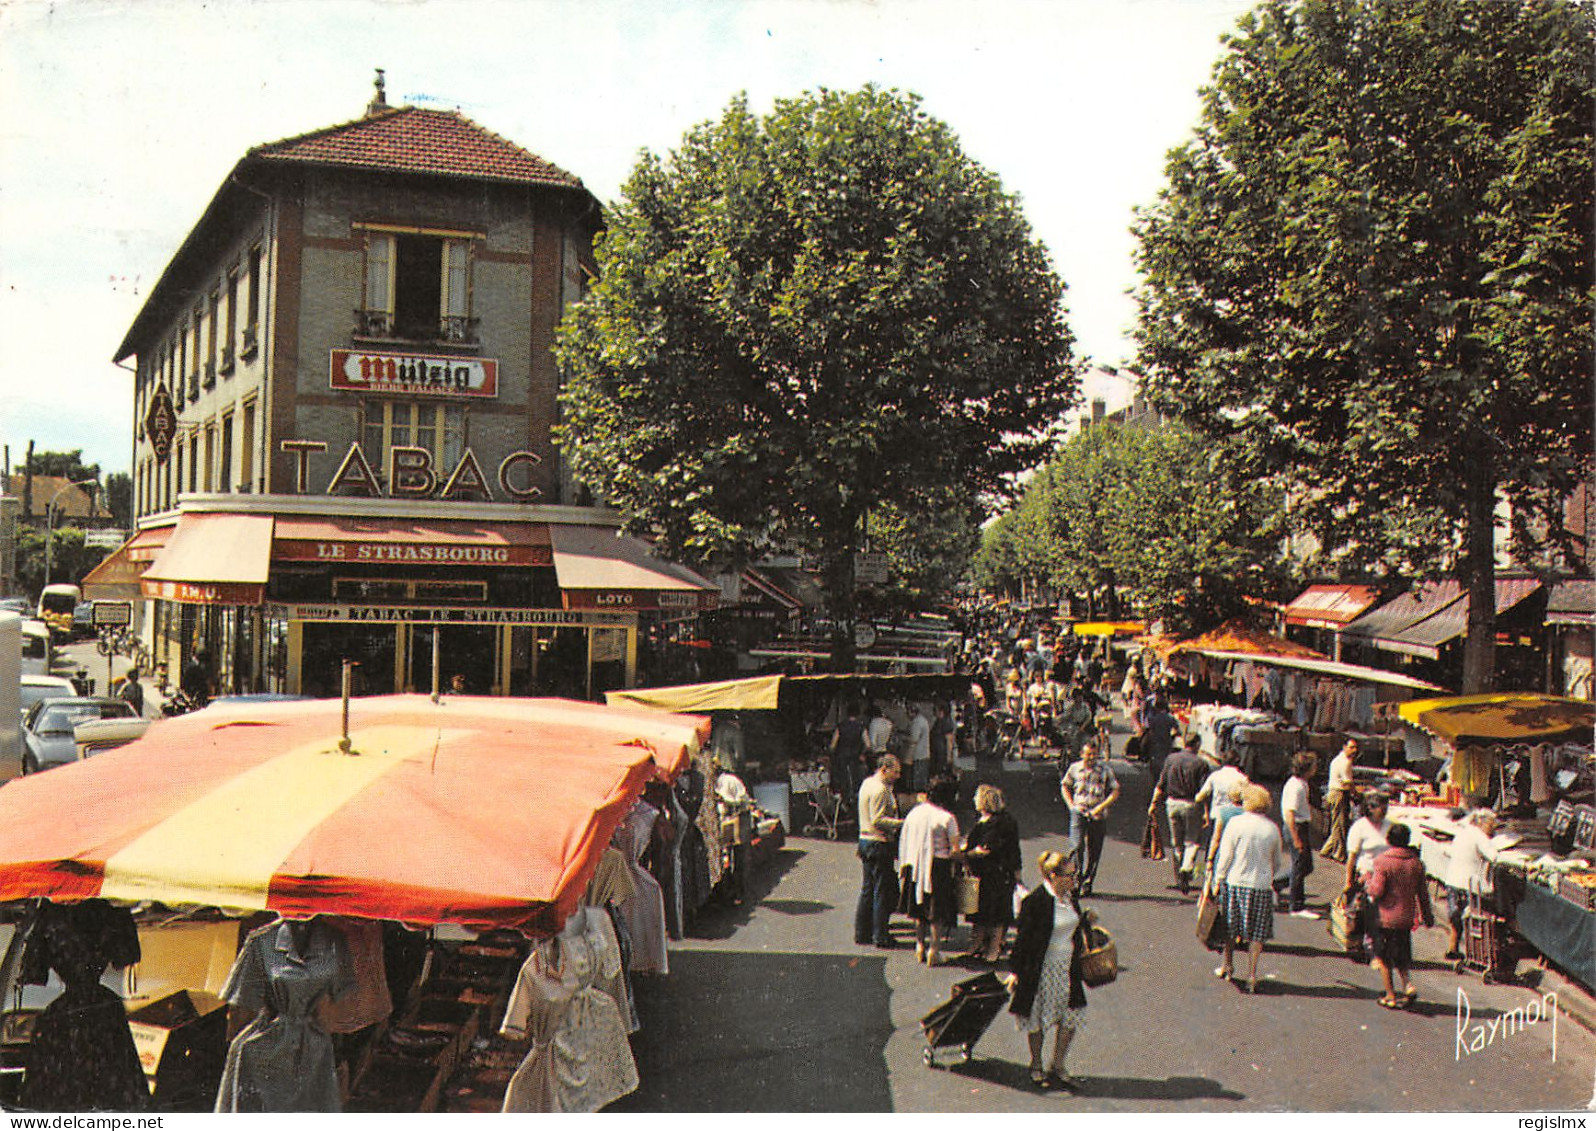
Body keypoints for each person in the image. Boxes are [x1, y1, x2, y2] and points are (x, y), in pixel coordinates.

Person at [1006, 850, 1093, 1092]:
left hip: (1067, 967)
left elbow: (1073, 924)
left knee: (1071, 1016)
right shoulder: (1035, 901)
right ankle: (1036, 1064)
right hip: (1042, 969)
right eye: (1069, 876)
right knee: (1038, 1019)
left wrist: (1086, 920)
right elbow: (1022, 940)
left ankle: (1058, 1063)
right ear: (1052, 875)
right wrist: (1015, 972)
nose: (1073, 880)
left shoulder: (1070, 898)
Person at [1210, 785, 1285, 994]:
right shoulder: (1272, 828)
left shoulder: (1235, 824)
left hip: (1236, 881)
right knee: (1257, 934)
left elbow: (1225, 856)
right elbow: (1277, 862)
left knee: (1230, 928)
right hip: (1261, 886)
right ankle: (1252, 975)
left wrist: (1218, 879)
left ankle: (1228, 966)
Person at [1364, 823, 1435, 1008]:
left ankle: (1390, 995)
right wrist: (1427, 916)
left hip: (1385, 917)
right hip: (1406, 918)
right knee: (1402, 956)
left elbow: (1377, 890)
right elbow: (1423, 894)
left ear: (1389, 839)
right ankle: (1408, 985)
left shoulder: (1382, 861)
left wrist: (1367, 881)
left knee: (1383, 957)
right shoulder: (1416, 863)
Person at [897, 775, 963, 966]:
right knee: (937, 911)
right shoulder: (947, 818)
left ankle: (919, 945)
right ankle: (934, 949)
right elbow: (955, 849)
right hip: (938, 867)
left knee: (919, 908)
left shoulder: (914, 813)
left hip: (915, 864)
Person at [964, 784, 1021, 963]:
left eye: (976, 797)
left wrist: (964, 855)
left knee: (996, 913)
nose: (973, 800)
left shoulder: (997, 823)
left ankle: (993, 949)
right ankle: (977, 944)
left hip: (996, 873)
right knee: (981, 911)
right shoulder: (988, 819)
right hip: (986, 873)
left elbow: (985, 849)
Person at [1148, 732, 1209, 894]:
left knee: (1177, 841)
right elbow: (1204, 791)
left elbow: (1161, 784)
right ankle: (1187, 865)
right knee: (1192, 841)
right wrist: (1206, 812)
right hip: (1191, 804)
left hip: (1172, 803)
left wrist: (1153, 804)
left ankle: (1179, 875)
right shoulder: (1201, 763)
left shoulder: (1171, 759)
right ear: (1197, 744)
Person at [855, 754, 905, 949]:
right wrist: (901, 823)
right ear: (884, 769)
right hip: (878, 842)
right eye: (896, 771)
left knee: (868, 888)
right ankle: (880, 935)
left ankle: (862, 932)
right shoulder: (881, 790)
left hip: (865, 840)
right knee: (881, 891)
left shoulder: (867, 783)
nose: (898, 776)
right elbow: (878, 819)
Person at [1060, 739, 1119, 896]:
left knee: (1094, 850)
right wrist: (1071, 805)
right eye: (1088, 754)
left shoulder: (1104, 770)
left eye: (1094, 754)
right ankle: (1075, 880)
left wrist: (1101, 807)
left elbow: (1115, 790)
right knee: (1076, 846)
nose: (1091, 757)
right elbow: (1065, 785)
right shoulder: (1074, 768)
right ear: (1082, 754)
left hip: (1097, 814)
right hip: (1079, 811)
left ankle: (1087, 881)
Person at [1442, 808, 1503, 960]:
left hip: (1453, 880)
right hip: (1468, 883)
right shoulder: (1480, 837)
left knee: (1455, 918)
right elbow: (1494, 857)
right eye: (1492, 826)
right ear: (1483, 823)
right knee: (1473, 918)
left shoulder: (1463, 832)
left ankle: (1453, 947)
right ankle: (1476, 953)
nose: (1493, 830)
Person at [1280, 752, 1319, 917]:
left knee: (1306, 866)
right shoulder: (1296, 786)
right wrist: (1296, 838)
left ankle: (1277, 884)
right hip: (1296, 827)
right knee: (1299, 866)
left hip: (1301, 826)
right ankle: (1296, 905)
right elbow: (1290, 814)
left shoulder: (1302, 784)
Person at [712, 760, 752, 904]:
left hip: (739, 819)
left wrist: (725, 800)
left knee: (739, 856)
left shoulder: (730, 781)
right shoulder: (713, 784)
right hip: (726, 821)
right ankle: (729, 890)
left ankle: (740, 891)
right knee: (726, 855)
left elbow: (743, 800)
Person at [1321, 739, 1360, 862]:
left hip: (1334, 793)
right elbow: (1348, 783)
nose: (1354, 751)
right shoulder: (1345, 762)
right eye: (1351, 747)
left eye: (1355, 748)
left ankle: (1326, 849)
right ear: (1344, 747)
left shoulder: (1338, 759)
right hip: (1338, 793)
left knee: (1338, 823)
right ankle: (1338, 854)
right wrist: (1357, 794)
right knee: (1339, 824)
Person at [829, 702, 868, 807]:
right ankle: (855, 803)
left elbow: (833, 745)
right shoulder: (861, 726)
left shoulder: (841, 726)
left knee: (843, 781)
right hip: (855, 758)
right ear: (858, 714)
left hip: (841, 757)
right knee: (856, 781)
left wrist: (833, 752)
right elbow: (868, 744)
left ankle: (844, 804)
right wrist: (862, 753)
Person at [1140, 695, 1178, 778]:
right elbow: (1176, 731)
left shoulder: (1151, 719)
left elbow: (1146, 730)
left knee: (1155, 768)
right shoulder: (1171, 718)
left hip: (1154, 744)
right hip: (1166, 744)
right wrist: (1171, 738)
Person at [904, 702, 932, 793]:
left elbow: (913, 739)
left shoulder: (917, 722)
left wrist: (904, 739)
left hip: (919, 755)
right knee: (922, 780)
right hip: (924, 754)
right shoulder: (923, 720)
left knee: (917, 783)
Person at [929, 701, 955, 779]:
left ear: (941, 711)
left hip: (941, 753)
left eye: (935, 709)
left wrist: (949, 757)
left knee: (940, 773)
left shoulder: (946, 722)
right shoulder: (938, 721)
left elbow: (949, 740)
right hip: (936, 752)